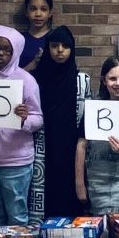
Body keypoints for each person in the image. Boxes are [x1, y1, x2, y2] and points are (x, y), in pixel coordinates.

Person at [0, 26, 43, 225]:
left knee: (17, 216)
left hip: (16, 161)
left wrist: (24, 120)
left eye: (7, 49)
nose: (0, 53)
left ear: (16, 52)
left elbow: (38, 118)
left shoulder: (26, 80)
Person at [75, 56, 119, 216]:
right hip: (96, 181)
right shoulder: (93, 108)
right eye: (113, 78)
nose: (118, 83)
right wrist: (79, 184)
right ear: (104, 81)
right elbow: (81, 145)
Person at [32, 26, 85, 219]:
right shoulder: (35, 79)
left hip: (72, 147)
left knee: (70, 193)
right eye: (54, 46)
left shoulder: (82, 80)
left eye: (65, 46)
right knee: (45, 193)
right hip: (43, 145)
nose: (60, 50)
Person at [19, 0, 54, 70]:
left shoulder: (56, 38)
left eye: (43, 9)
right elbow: (12, 76)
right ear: (26, 12)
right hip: (23, 82)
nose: (38, 14)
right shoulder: (18, 39)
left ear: (50, 13)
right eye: (33, 9)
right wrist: (33, 64)